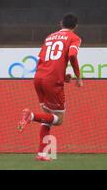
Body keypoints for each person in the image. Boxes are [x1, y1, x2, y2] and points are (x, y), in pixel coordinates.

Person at [17, 13, 83, 161]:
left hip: (39, 78)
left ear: (61, 23)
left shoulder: (49, 37)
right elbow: (72, 55)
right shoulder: (74, 38)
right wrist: (78, 77)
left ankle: (41, 154)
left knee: (47, 119)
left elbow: (45, 59)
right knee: (59, 119)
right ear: (76, 26)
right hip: (52, 82)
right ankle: (30, 116)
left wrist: (62, 76)